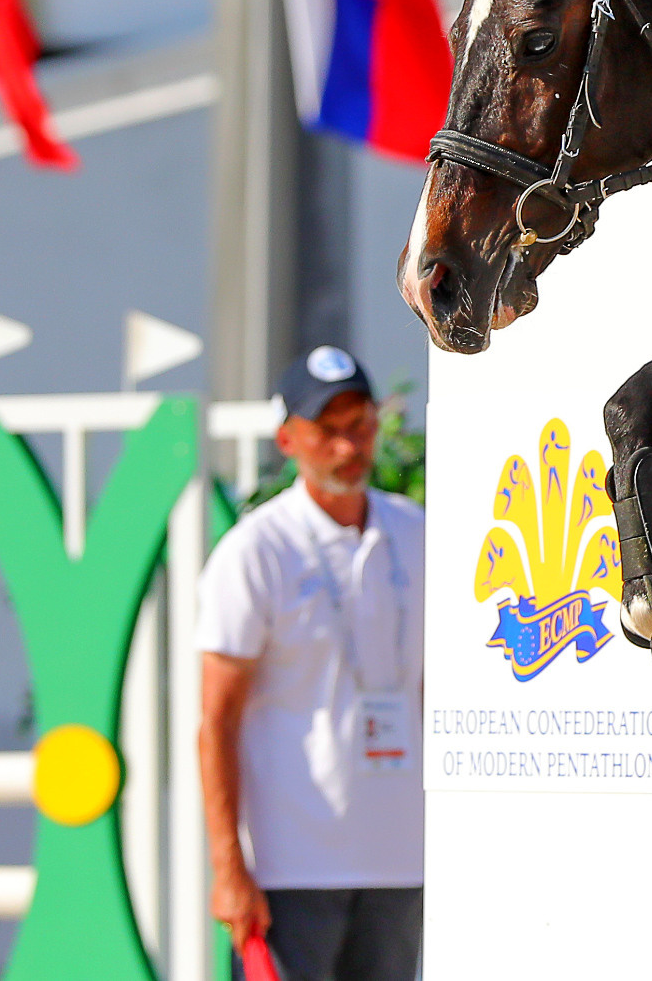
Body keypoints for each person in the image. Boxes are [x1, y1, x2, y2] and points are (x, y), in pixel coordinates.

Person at [196, 346, 426, 981]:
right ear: (287, 439)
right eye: (328, 430)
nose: (348, 448)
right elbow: (215, 720)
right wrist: (228, 870)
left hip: (401, 859)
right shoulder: (255, 550)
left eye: (360, 427)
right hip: (290, 865)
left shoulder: (418, 532)